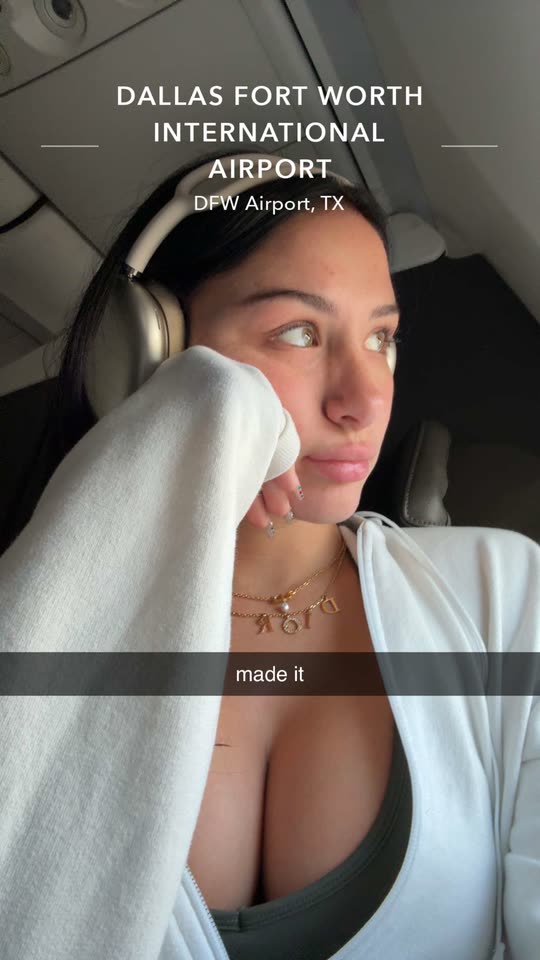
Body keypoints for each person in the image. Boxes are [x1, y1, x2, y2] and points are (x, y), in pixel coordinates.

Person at [0, 151, 538, 960]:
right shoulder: (52, 618)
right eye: (298, 332)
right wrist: (160, 453)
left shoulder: (506, 595)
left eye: (382, 337)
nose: (365, 399)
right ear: (151, 353)